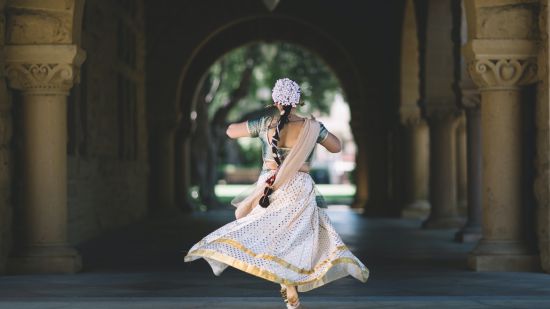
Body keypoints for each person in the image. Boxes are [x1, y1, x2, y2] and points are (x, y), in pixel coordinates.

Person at [183, 78, 369, 308]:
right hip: (299, 188)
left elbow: (230, 131)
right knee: (297, 237)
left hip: (271, 187)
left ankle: (286, 283)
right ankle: (289, 283)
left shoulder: (266, 124)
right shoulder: (311, 127)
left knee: (270, 235)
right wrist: (318, 130)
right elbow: (337, 146)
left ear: (275, 100)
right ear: (298, 101)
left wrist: (254, 123)